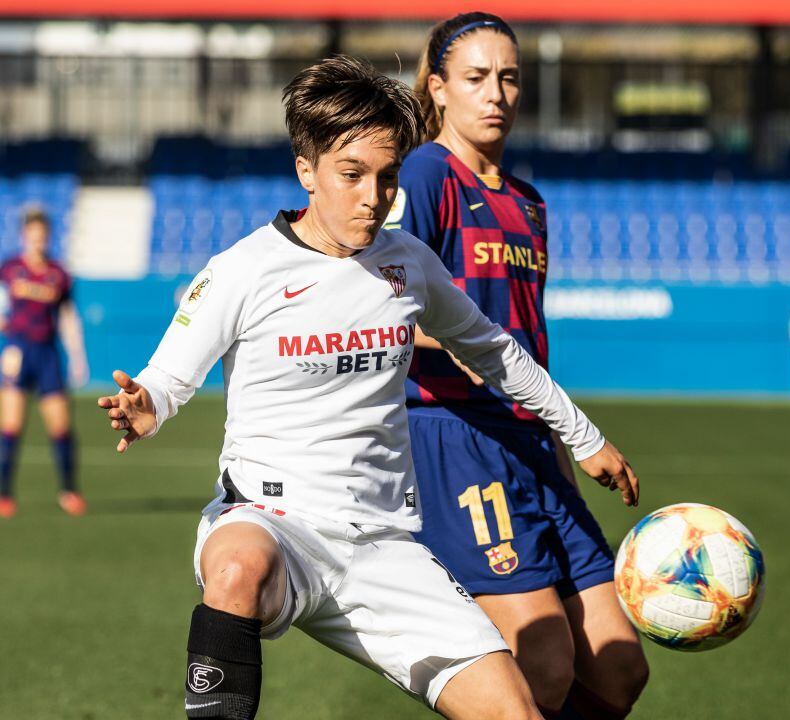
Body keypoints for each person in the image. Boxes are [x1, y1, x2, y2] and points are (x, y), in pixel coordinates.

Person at [96, 55, 639, 720]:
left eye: (386, 179)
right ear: (307, 170)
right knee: (235, 568)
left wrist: (583, 437)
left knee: (517, 710)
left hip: (385, 547)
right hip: (273, 523)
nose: (372, 196)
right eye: (351, 175)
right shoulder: (241, 270)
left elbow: (495, 351)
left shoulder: (406, 264)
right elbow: (168, 376)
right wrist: (144, 406)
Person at [391, 13, 648, 718]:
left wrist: (560, 442)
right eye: (475, 78)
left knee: (619, 669)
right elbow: (387, 315)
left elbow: (527, 344)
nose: (495, 93)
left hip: (532, 443)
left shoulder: (528, 203)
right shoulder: (423, 176)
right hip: (456, 438)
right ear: (438, 89)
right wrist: (485, 370)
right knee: (543, 663)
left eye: (508, 78)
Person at [0, 207, 88, 518]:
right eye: (32, 236)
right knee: (10, 425)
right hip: (17, 351)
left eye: (42, 237)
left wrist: (78, 356)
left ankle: (69, 490)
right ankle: (5, 494)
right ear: (25, 236)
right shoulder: (9, 268)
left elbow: (67, 317)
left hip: (48, 353)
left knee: (61, 426)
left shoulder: (59, 274)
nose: (37, 242)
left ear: (47, 237)